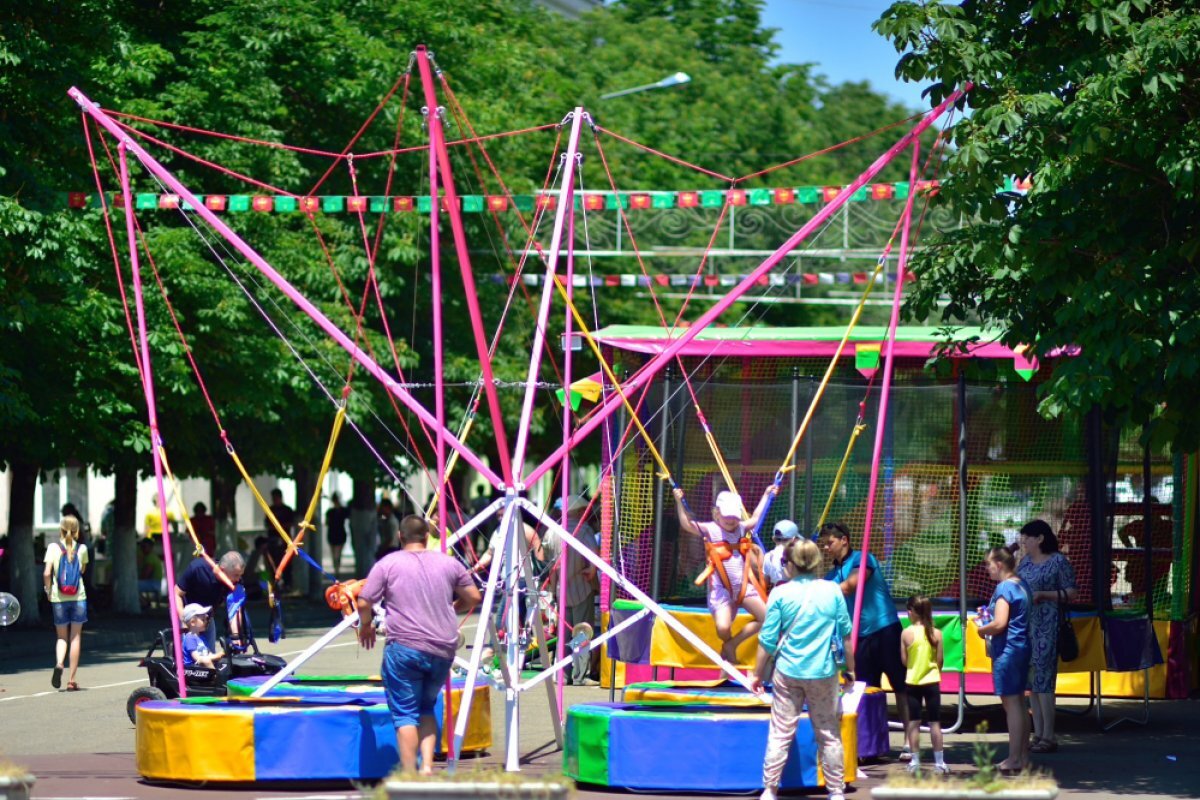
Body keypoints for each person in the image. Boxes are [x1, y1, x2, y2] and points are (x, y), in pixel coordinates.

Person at [356, 515, 481, 774]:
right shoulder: (449, 563)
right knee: (426, 707)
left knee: (405, 714)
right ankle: (426, 766)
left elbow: (364, 602)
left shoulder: (388, 563)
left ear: (400, 537)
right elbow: (473, 597)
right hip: (441, 649)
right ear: (427, 537)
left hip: (405, 648)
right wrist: (452, 607)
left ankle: (411, 774)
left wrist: (366, 625)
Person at [750, 538, 853, 800]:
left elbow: (768, 639)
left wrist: (756, 673)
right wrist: (850, 670)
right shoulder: (832, 591)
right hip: (824, 672)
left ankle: (770, 788)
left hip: (788, 672)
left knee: (780, 732)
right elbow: (846, 635)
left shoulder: (780, 593)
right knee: (829, 733)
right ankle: (836, 791)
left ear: (790, 564)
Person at [821, 521, 911, 752]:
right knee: (864, 690)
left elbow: (852, 586)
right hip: (859, 638)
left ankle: (910, 741)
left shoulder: (864, 559)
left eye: (829, 543)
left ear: (844, 540)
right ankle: (869, 745)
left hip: (885, 630)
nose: (826, 548)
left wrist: (816, 588)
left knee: (900, 686)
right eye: (823, 544)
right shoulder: (832, 574)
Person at [674, 486, 777, 663]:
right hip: (720, 589)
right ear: (717, 513)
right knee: (722, 628)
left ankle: (732, 644)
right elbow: (686, 524)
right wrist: (679, 502)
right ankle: (728, 645)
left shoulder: (741, 528)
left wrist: (766, 495)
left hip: (743, 587)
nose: (731, 520)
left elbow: (755, 518)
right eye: (727, 516)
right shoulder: (710, 529)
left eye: (734, 516)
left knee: (770, 620)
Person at [1016, 519, 1078, 754]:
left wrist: (1045, 594)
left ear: (1040, 538)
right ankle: (1038, 733)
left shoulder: (1058, 561)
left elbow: (1072, 592)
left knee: (1045, 681)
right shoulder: (1024, 563)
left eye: (1028, 538)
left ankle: (1049, 734)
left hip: (1048, 625)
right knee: (1032, 683)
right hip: (1026, 627)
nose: (1025, 542)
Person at [977, 546, 1033, 772]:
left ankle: (1013, 758)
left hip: (1007, 651)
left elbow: (999, 623)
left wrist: (982, 630)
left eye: (989, 565)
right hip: (1021, 648)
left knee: (1012, 705)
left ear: (999, 565)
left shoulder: (1004, 588)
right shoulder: (1022, 585)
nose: (987, 570)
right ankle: (1023, 755)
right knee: (1020, 703)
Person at [553, 495, 600, 685]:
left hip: (561, 590)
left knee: (563, 633)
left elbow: (548, 560)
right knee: (582, 631)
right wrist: (592, 570)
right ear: (580, 512)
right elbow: (594, 554)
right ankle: (580, 674)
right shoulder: (584, 530)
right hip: (581, 587)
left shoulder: (553, 530)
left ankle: (562, 673)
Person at [901, 595, 949, 774]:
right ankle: (940, 762)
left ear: (913, 612)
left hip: (913, 681)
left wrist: (916, 665)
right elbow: (940, 660)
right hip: (932, 681)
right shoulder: (937, 633)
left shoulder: (906, 633)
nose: (908, 612)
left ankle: (915, 761)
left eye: (909, 609)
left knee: (914, 722)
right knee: (935, 722)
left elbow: (904, 661)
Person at [43, 515, 89, 691]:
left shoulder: (53, 548)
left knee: (62, 637)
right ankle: (71, 680)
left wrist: (48, 591)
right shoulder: (82, 549)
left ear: (60, 530)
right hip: (78, 598)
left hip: (58, 598)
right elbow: (82, 571)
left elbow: (47, 573)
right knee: (75, 637)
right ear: (77, 530)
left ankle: (60, 663)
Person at [175, 551, 246, 652]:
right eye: (236, 575)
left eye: (240, 575)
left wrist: (235, 637)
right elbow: (176, 593)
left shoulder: (236, 582)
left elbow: (234, 611)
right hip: (186, 612)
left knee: (209, 655)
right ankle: (176, 652)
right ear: (222, 570)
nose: (238, 579)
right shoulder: (197, 568)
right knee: (190, 653)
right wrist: (183, 621)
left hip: (206, 615)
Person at [266, 489, 296, 591]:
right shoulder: (270, 509)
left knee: (287, 563)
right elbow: (267, 524)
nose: (275, 500)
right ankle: (275, 583)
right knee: (273, 563)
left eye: (276, 498)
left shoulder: (287, 510)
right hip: (273, 539)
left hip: (285, 541)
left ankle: (287, 583)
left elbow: (291, 523)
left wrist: (281, 527)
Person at [180, 603, 225, 668]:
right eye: (203, 620)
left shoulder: (202, 637)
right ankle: (216, 677)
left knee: (222, 661)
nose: (206, 621)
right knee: (206, 660)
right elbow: (197, 658)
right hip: (192, 668)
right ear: (193, 622)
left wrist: (219, 655)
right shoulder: (189, 638)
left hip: (202, 668)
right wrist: (213, 657)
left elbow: (209, 653)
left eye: (206, 619)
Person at [762, 519, 800, 588]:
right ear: (794, 540)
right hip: (794, 592)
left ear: (773, 539)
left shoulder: (768, 556)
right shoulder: (795, 553)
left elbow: (764, 582)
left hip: (777, 593)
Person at [325, 492, 350, 577]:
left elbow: (326, 523)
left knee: (335, 554)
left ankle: (337, 569)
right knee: (337, 554)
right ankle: (337, 569)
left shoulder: (330, 512)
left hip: (335, 533)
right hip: (338, 533)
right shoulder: (342, 510)